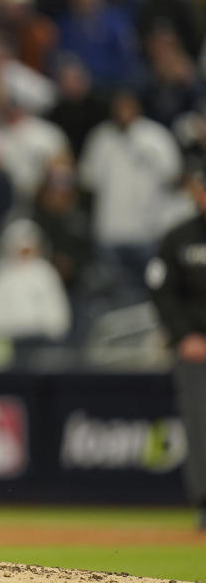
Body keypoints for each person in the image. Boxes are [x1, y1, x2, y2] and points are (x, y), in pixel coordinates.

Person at [145, 165, 206, 530]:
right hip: (195, 350)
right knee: (201, 425)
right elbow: (161, 290)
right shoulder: (179, 238)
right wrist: (185, 335)